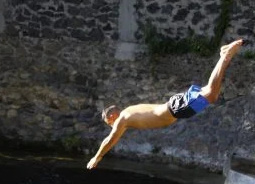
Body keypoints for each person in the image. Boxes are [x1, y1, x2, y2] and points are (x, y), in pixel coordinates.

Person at [86, 39, 243, 169]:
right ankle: (224, 56)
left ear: (113, 116)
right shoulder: (130, 110)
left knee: (211, 93)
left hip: (175, 108)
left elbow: (110, 139)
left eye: (110, 123)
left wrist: (97, 157)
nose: (112, 127)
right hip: (175, 105)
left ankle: (225, 56)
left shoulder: (123, 118)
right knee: (211, 94)